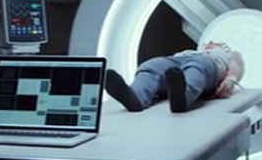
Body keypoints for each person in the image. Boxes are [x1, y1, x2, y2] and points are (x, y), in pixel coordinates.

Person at [104, 41, 245, 113]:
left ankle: (182, 97)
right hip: (176, 64)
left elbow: (237, 63)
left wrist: (230, 78)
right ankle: (135, 98)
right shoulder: (190, 51)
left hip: (208, 64)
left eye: (217, 43)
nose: (211, 43)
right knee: (151, 66)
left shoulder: (225, 55)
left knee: (197, 67)